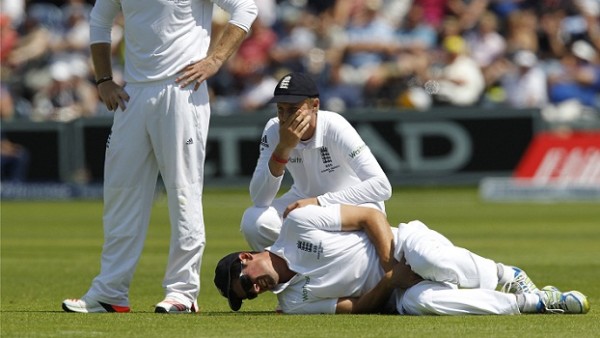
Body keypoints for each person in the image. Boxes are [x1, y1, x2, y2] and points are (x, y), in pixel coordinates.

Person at [62, 0, 258, 314]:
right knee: (121, 195)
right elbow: (99, 18)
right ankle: (110, 292)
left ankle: (183, 293)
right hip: (134, 93)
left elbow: (246, 8)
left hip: (183, 89)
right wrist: (103, 80)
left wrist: (216, 59)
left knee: (183, 194)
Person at [215, 204, 590, 315]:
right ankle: (533, 302)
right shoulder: (292, 304)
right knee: (422, 302)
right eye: (249, 297)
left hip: (402, 243)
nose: (255, 291)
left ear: (247, 257)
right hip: (392, 292)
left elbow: (370, 216)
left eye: (246, 282)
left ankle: (506, 274)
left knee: (429, 259)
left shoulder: (296, 223)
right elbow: (352, 308)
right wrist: (390, 282)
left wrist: (390, 263)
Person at [240, 71, 392, 251]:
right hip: (303, 202)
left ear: (315, 105)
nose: (285, 117)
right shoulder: (273, 129)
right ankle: (289, 274)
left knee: (305, 219)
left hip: (352, 204)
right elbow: (259, 198)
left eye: (293, 109)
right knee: (254, 222)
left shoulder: (335, 125)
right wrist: (283, 149)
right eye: (280, 109)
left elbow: (382, 186)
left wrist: (318, 202)